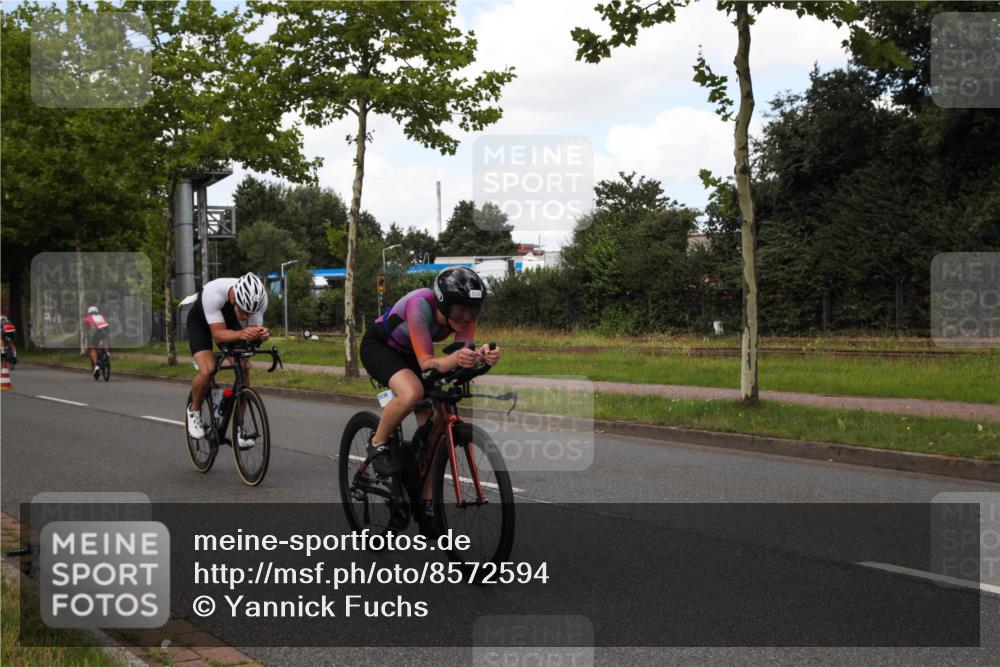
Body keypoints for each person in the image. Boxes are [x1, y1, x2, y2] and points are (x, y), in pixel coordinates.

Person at [359, 267, 502, 528]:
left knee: (436, 427)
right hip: (380, 347)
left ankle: (424, 503)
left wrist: (481, 355)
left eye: (473, 310)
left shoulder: (465, 317)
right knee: (412, 392)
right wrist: (455, 358)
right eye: (460, 309)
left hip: (412, 352)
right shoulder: (419, 304)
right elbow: (427, 363)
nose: (467, 316)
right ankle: (377, 442)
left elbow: (462, 355)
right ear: (443, 304)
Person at [185, 273, 269, 448]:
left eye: (250, 313)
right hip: (200, 323)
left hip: (228, 323)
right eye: (243, 311)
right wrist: (241, 333)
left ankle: (240, 430)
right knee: (208, 369)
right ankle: (194, 411)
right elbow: (217, 335)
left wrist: (261, 336)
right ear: (233, 298)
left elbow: (251, 335)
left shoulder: (260, 301)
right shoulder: (213, 293)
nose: (246, 316)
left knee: (243, 366)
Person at [82, 306, 110, 378]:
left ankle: (97, 365)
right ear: (97, 312)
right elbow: (107, 322)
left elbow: (87, 328)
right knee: (105, 337)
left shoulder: (88, 318)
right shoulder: (102, 316)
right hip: (104, 330)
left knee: (93, 348)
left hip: (95, 334)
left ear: (89, 313)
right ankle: (107, 351)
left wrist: (86, 335)